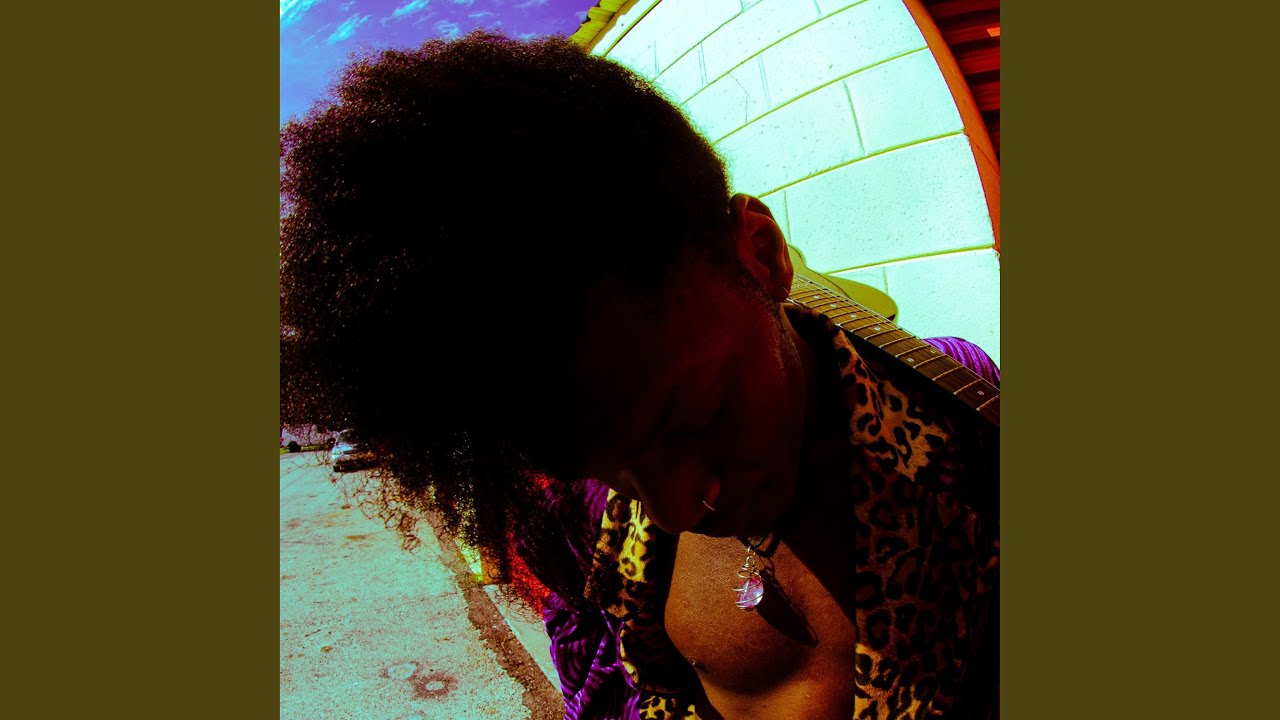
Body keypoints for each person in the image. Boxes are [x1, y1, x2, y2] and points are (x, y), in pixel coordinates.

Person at [280, 30, 998, 720]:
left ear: (761, 254)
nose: (676, 509)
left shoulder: (963, 414)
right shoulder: (576, 522)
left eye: (695, 416)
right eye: (611, 470)